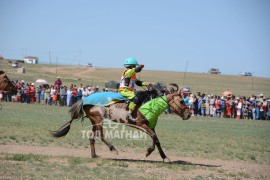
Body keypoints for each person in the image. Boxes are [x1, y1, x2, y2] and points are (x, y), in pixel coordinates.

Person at [119, 57, 148, 121]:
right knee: (136, 98)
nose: (135, 67)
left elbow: (138, 82)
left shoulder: (132, 74)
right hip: (124, 90)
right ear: (131, 66)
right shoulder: (128, 71)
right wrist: (140, 67)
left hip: (129, 91)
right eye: (135, 66)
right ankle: (129, 114)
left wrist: (146, 84)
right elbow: (136, 70)